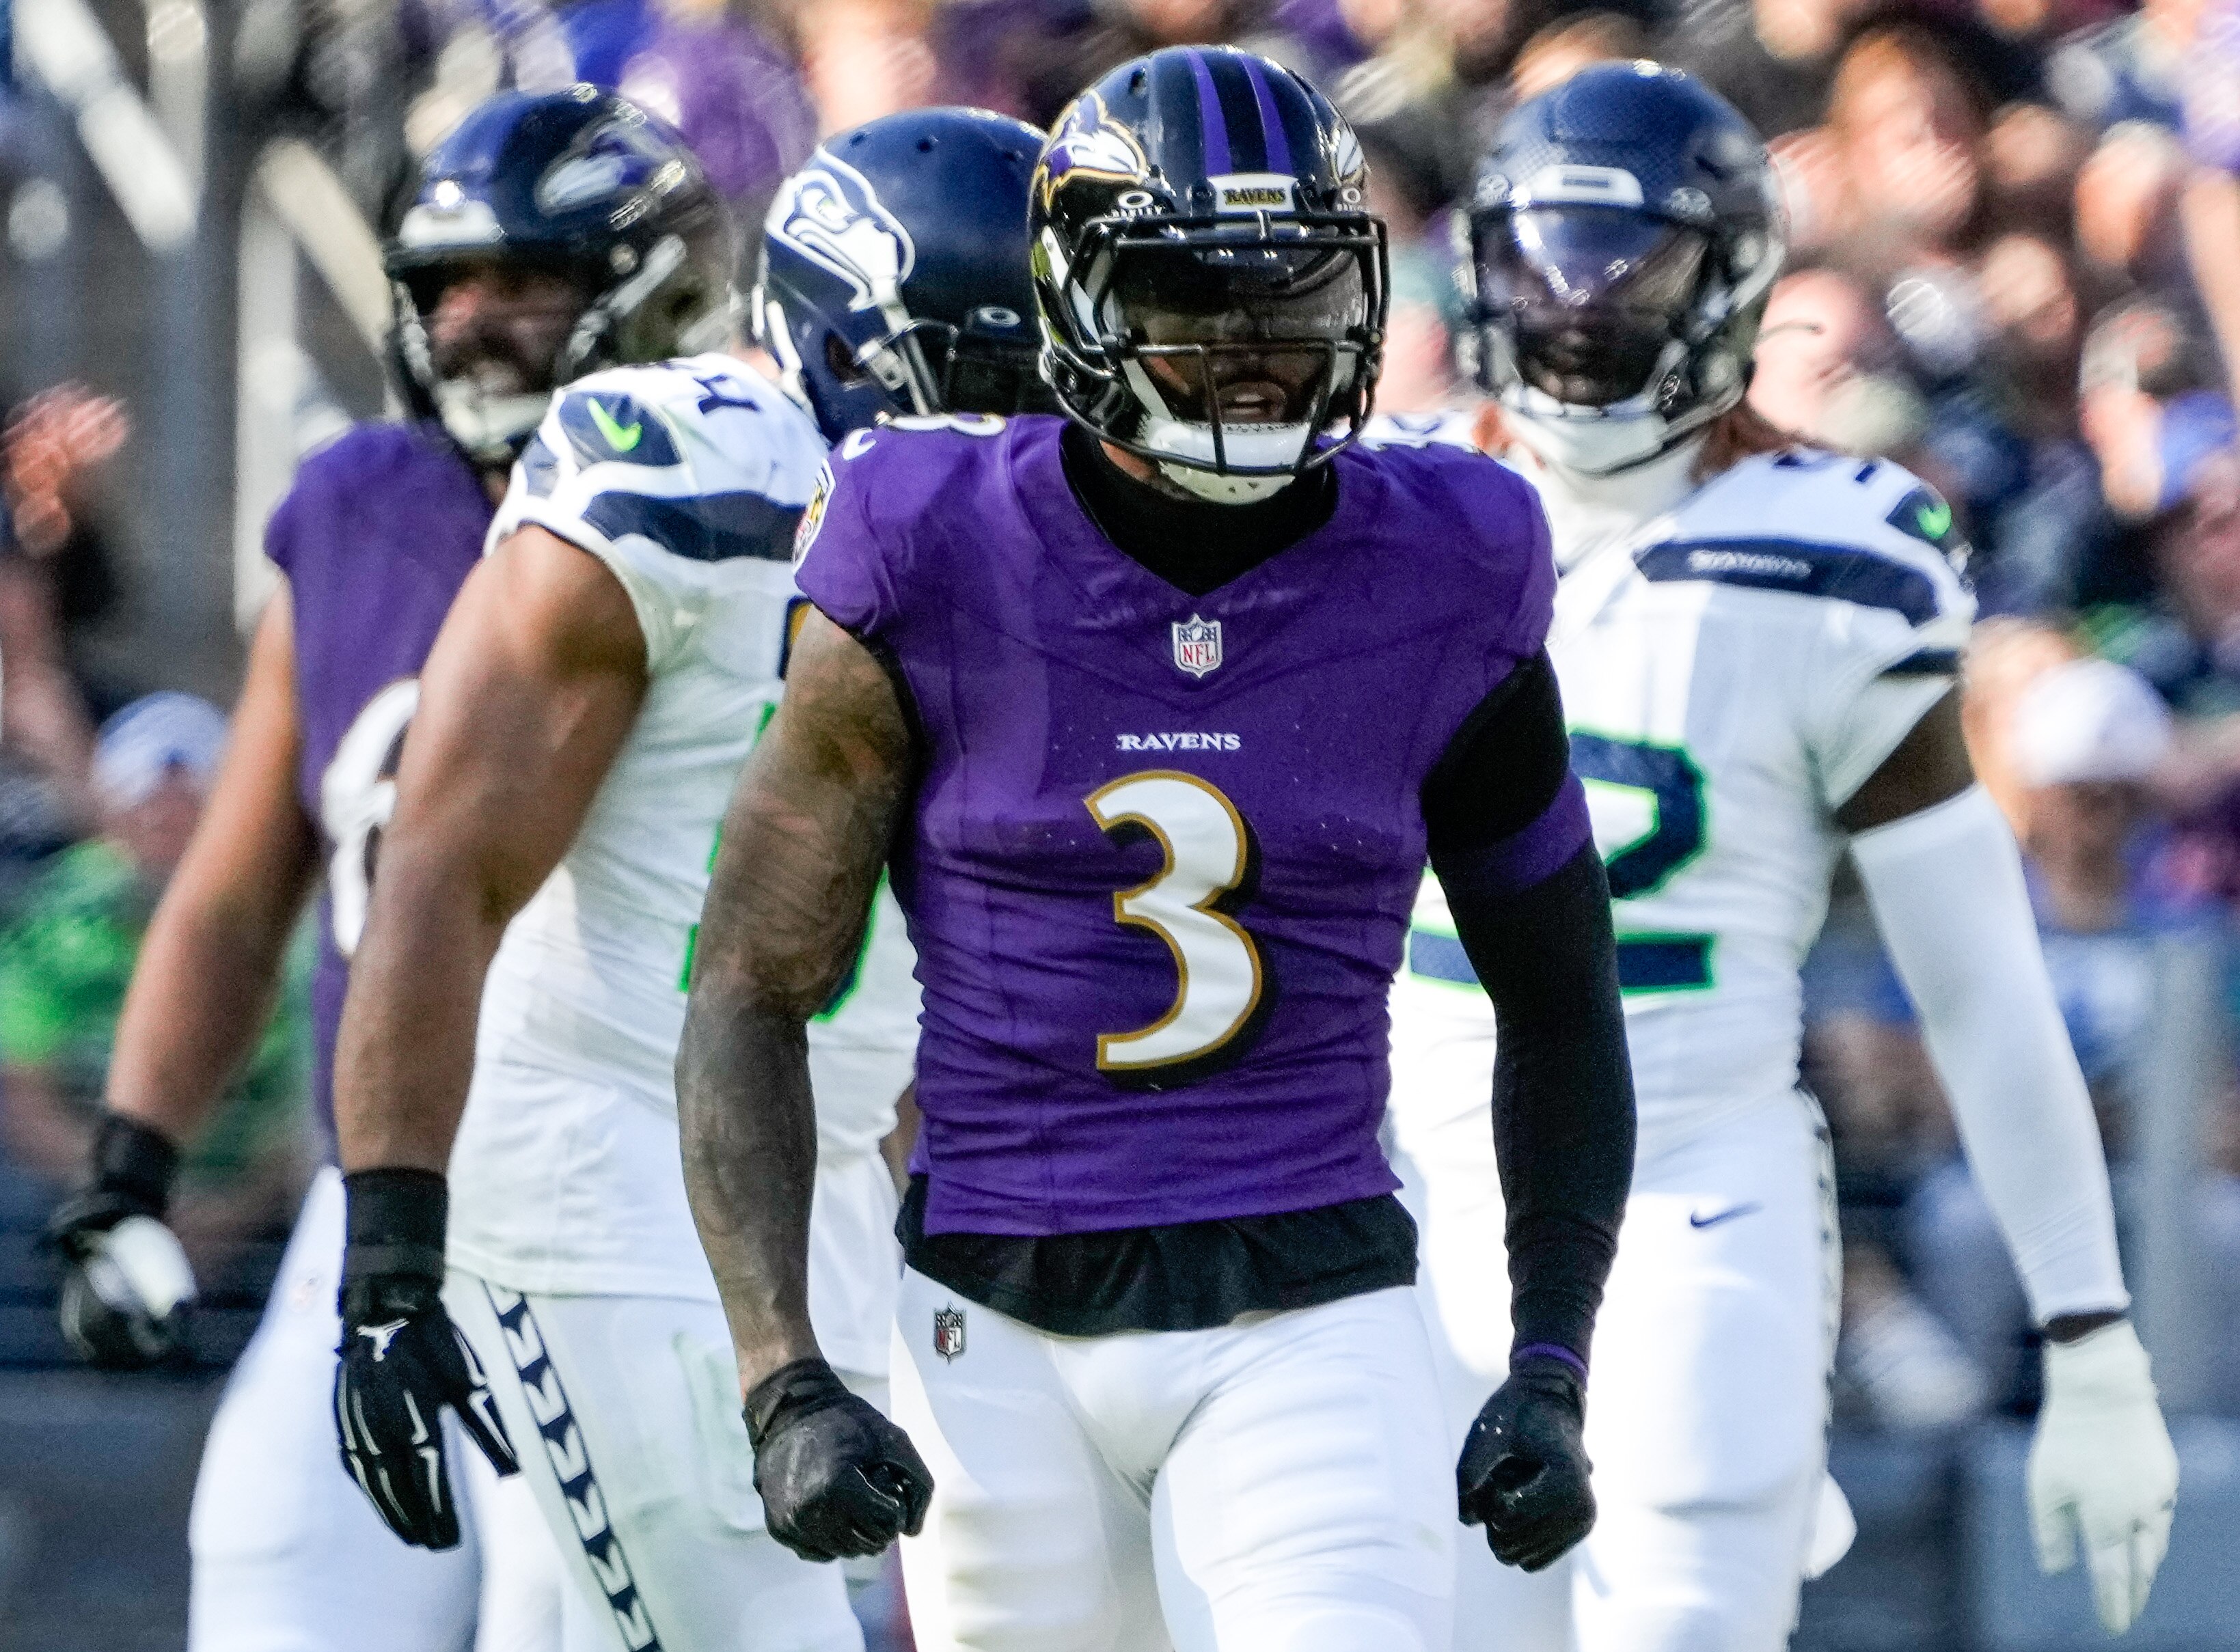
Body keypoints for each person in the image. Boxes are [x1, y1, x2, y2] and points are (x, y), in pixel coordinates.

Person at [675, 46, 1637, 1652]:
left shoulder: (1452, 564)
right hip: (991, 1321)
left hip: (1309, 1307)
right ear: (1075, 298)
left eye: (1293, 298)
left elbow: (1560, 989)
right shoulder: (921, 542)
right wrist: (783, 1377)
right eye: (1192, 299)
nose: (1255, 354)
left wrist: (1551, 1358)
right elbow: (748, 984)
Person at [1384, 63, 2179, 1651]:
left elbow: (1979, 982)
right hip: (1397, 1196)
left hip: (1692, 1193)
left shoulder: (1832, 558)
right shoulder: (1382, 512)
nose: (1578, 320)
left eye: (1631, 279)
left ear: (1733, 286)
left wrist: (2092, 1333)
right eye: (1542, 273)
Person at [324, 106, 1057, 1652]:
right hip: (611, 1168)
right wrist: (391, 1253)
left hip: (829, 1170)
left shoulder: (1059, 525)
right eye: (965, 375)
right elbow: (447, 858)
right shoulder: (683, 476)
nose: (999, 425)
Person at [37, 86, 731, 1651]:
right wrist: (131, 1162)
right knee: (279, 1568)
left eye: (524, 282)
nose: (476, 323)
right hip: (384, 1190)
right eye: (448, 289)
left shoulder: (745, 513)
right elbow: (239, 878)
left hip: (638, 1188)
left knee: (579, 1609)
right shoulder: (364, 505)